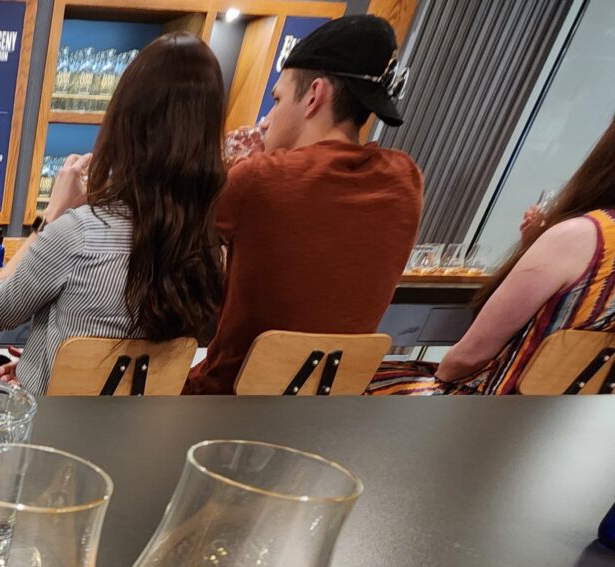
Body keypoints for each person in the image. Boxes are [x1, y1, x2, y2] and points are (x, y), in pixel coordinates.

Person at [186, 15, 422, 395]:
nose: (267, 119)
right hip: (326, 407)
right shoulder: (406, 179)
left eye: (277, 99)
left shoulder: (259, 179)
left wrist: (230, 165)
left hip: (228, 401)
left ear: (314, 95)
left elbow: (173, 230)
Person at [0, 33, 225, 394]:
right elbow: (125, 364)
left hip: (54, 434)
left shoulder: (78, 233)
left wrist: (50, 216)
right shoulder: (209, 251)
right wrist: (38, 364)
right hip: (137, 435)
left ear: (125, 122)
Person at [370, 116, 615, 395]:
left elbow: (467, 358)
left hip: (493, 411)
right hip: (575, 421)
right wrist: (533, 246)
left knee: (356, 379)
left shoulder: (582, 235)